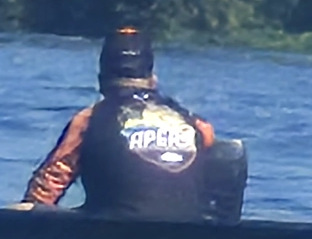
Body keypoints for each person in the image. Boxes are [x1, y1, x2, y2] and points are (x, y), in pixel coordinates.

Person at [16, 26, 244, 220]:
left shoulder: (88, 120)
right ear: (152, 79)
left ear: (101, 80)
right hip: (186, 237)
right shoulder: (196, 124)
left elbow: (49, 185)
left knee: (24, 210)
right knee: (229, 152)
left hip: (114, 238)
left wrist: (29, 214)